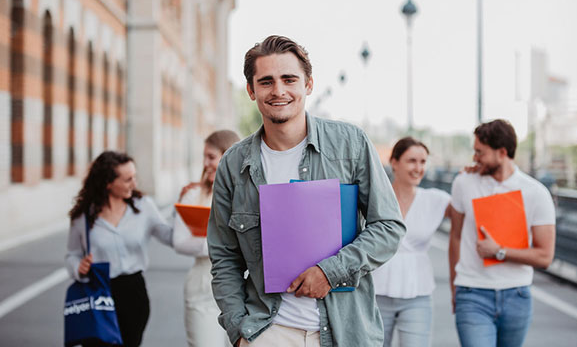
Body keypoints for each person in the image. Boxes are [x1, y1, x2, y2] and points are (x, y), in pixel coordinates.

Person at [207, 35, 405, 347]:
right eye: (266, 81)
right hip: (267, 332)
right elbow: (224, 255)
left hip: (345, 333)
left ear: (308, 84)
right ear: (251, 90)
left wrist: (331, 272)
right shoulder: (234, 163)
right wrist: (238, 331)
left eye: (289, 79)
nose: (279, 91)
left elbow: (389, 226)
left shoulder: (350, 144)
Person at [448, 119, 556, 347]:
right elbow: (455, 237)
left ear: (502, 152)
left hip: (516, 296)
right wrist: (454, 287)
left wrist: (499, 252)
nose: (474, 158)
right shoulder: (463, 183)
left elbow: (545, 256)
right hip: (472, 293)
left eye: (480, 152)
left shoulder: (536, 193)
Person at [65, 151, 173, 347]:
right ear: (108, 183)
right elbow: (72, 254)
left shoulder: (143, 207)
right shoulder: (83, 216)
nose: (134, 183)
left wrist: (188, 208)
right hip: (99, 292)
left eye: (134, 177)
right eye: (127, 179)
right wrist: (77, 267)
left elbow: (170, 236)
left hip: (133, 293)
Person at [373, 137, 451, 347]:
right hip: (376, 293)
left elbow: (471, 209)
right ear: (394, 162)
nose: (418, 168)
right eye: (411, 161)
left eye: (423, 162)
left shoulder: (436, 199)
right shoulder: (374, 196)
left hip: (418, 294)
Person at [173, 130, 240, 347]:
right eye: (204, 157)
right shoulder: (192, 195)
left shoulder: (248, 193)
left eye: (211, 157)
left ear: (228, 155)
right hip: (202, 287)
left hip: (243, 288)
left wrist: (208, 242)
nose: (205, 163)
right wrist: (220, 244)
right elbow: (179, 241)